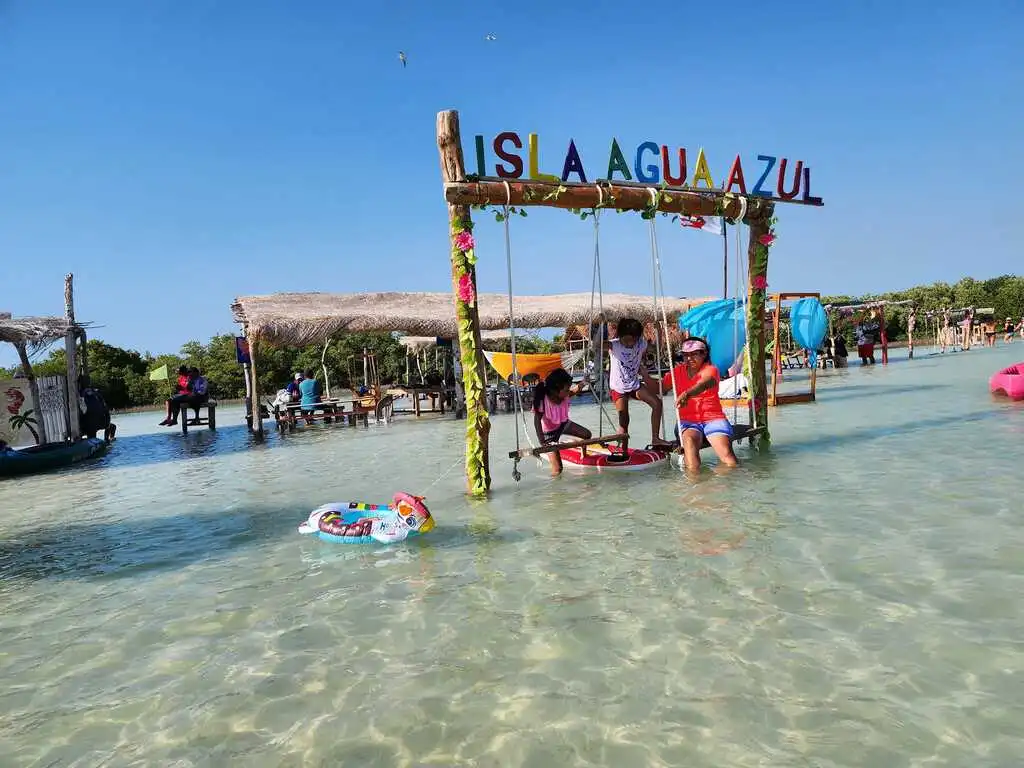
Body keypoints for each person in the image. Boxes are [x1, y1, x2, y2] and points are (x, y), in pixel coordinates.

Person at [594, 314, 671, 453]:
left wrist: (658, 328)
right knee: (624, 420)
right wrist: (602, 324)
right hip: (618, 388)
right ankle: (623, 450)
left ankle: (655, 438)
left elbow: (658, 348)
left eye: (633, 340)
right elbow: (596, 345)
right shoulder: (614, 345)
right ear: (620, 336)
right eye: (627, 340)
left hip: (634, 385)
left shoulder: (640, 344)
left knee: (657, 403)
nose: (630, 343)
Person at [663, 337, 737, 472]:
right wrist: (641, 375)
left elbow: (705, 383)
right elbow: (660, 388)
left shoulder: (711, 369)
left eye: (694, 354)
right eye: (685, 355)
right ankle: (695, 488)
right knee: (690, 450)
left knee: (727, 456)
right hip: (688, 421)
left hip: (713, 418)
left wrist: (687, 394)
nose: (689, 358)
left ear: (704, 354)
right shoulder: (677, 372)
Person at [532, 367, 591, 476]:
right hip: (548, 435)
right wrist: (542, 442)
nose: (569, 391)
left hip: (563, 425)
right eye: (566, 389)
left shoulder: (564, 394)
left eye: (568, 388)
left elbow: (575, 390)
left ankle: (584, 456)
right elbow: (537, 422)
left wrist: (584, 382)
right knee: (558, 470)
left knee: (587, 435)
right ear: (555, 390)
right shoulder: (543, 401)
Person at [78, 374, 116, 442]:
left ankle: (106, 440)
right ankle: (107, 440)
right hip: (100, 421)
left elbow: (83, 411)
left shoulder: (80, 394)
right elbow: (105, 409)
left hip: (90, 424)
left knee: (92, 436)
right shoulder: (96, 392)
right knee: (112, 426)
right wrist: (107, 422)